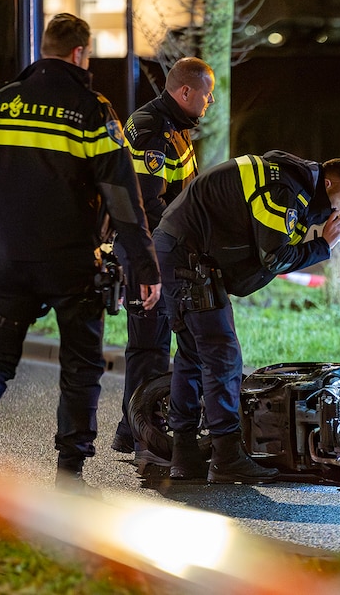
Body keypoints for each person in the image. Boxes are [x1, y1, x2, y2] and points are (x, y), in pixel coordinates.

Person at [0, 13, 161, 494]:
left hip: (4, 260)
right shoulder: (91, 110)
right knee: (80, 365)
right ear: (80, 53)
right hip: (70, 264)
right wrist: (144, 266)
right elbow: (122, 196)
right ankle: (69, 473)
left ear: (44, 49)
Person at [156, 150, 340, 482]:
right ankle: (225, 457)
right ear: (326, 184)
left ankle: (185, 456)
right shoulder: (287, 189)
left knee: (194, 353)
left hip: (184, 247)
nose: (339, 214)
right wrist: (323, 244)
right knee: (222, 354)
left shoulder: (290, 183)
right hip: (188, 252)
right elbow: (276, 257)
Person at [109, 57, 215, 462]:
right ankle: (144, 439)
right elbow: (148, 204)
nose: (208, 104)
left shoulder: (170, 125)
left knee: (149, 345)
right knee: (149, 348)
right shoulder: (155, 129)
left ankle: (129, 430)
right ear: (184, 91)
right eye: (205, 95)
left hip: (151, 250)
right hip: (148, 252)